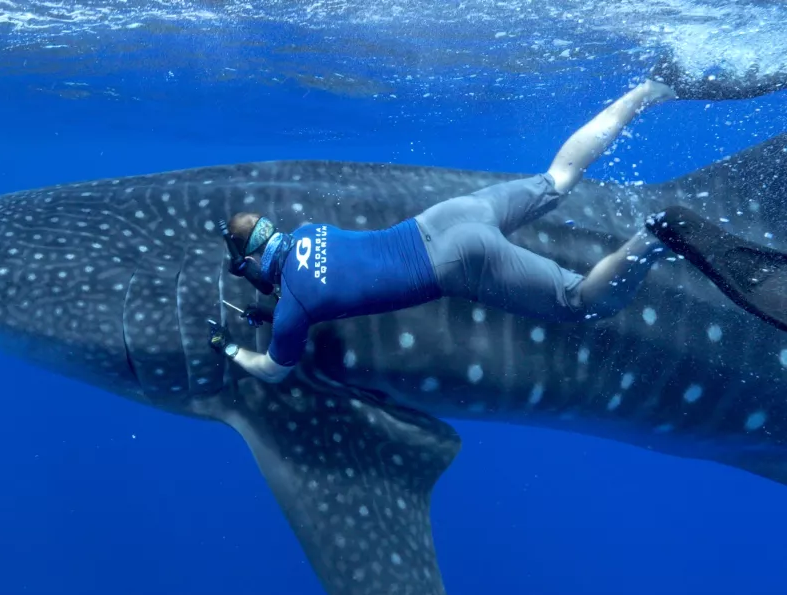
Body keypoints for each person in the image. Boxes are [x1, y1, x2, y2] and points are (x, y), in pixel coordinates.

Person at [208, 80, 679, 384]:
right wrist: (265, 295)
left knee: (580, 302)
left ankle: (654, 237)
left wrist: (231, 348)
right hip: (448, 215)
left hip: (456, 261)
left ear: (251, 261)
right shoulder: (311, 231)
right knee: (556, 180)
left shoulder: (295, 305)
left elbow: (273, 369)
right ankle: (648, 91)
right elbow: (316, 275)